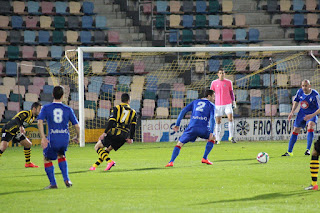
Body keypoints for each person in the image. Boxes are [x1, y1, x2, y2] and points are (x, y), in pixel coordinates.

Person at [37, 85, 80, 189]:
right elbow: (77, 126)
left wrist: (43, 137)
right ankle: (67, 179)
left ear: (52, 95)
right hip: (65, 138)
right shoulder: (68, 109)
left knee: (47, 158)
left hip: (53, 138)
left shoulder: (46, 108)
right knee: (61, 155)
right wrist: (78, 137)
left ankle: (53, 183)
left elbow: (39, 121)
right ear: (63, 96)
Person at [165, 89, 216, 167]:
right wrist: (211, 132)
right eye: (213, 96)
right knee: (213, 138)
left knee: (179, 144)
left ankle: (171, 162)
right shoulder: (211, 105)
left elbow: (183, 111)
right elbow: (212, 119)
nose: (214, 98)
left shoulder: (195, 102)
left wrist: (177, 124)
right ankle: (204, 158)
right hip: (203, 128)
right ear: (209, 96)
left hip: (192, 128)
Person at [90, 93, 137, 171]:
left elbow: (111, 121)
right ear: (129, 101)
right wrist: (131, 138)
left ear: (121, 100)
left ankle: (110, 162)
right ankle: (94, 166)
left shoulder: (116, 108)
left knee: (97, 147)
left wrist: (105, 132)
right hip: (124, 136)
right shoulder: (133, 112)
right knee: (107, 150)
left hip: (114, 133)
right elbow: (133, 126)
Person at [282, 79, 320, 157]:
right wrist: (292, 112)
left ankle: (308, 150)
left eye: (306, 86)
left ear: (309, 86)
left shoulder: (315, 94)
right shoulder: (299, 92)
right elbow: (296, 101)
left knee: (310, 125)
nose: (304, 87)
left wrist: (312, 115)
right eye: (303, 86)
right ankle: (289, 152)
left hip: (312, 114)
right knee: (295, 130)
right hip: (301, 114)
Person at [0, 102, 42, 168]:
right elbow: (17, 118)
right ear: (34, 108)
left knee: (28, 144)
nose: (40, 111)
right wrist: (21, 127)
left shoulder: (32, 118)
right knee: (3, 147)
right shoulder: (25, 113)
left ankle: (28, 163)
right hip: (8, 130)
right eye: (39, 109)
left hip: (17, 132)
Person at [210, 69, 237, 144]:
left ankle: (231, 137)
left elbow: (231, 93)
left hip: (228, 103)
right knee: (218, 121)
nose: (221, 74)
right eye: (220, 73)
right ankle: (217, 139)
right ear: (218, 74)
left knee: (230, 118)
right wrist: (211, 102)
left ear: (224, 74)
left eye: (223, 73)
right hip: (218, 104)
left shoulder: (229, 82)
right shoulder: (214, 83)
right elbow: (212, 94)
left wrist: (233, 101)